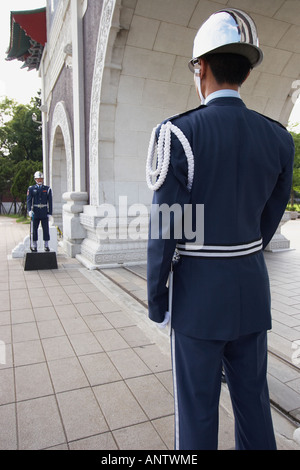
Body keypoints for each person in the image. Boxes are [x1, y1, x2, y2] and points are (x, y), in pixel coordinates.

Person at [146, 8, 294, 450]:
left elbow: (166, 228)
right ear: (246, 71)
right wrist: (245, 250)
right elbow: (271, 214)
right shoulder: (278, 137)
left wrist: (158, 298)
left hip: (198, 298)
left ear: (201, 67)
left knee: (196, 411)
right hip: (251, 288)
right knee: (253, 403)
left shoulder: (177, 134)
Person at [27, 171, 53, 252]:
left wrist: (50, 212)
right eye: (38, 178)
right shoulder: (31, 189)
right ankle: (34, 245)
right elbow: (29, 200)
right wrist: (29, 210)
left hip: (44, 211)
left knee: (46, 228)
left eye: (41, 178)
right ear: (35, 179)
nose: (39, 180)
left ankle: (46, 245)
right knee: (34, 229)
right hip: (36, 211)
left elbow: (50, 202)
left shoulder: (47, 189)